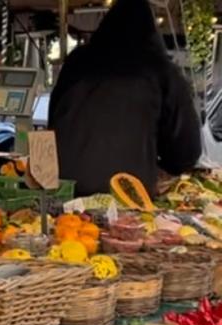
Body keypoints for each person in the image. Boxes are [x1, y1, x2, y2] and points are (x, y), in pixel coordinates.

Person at [49, 0, 201, 196]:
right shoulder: (160, 69)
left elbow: (54, 121)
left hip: (62, 189)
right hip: (128, 195)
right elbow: (186, 150)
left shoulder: (77, 61)